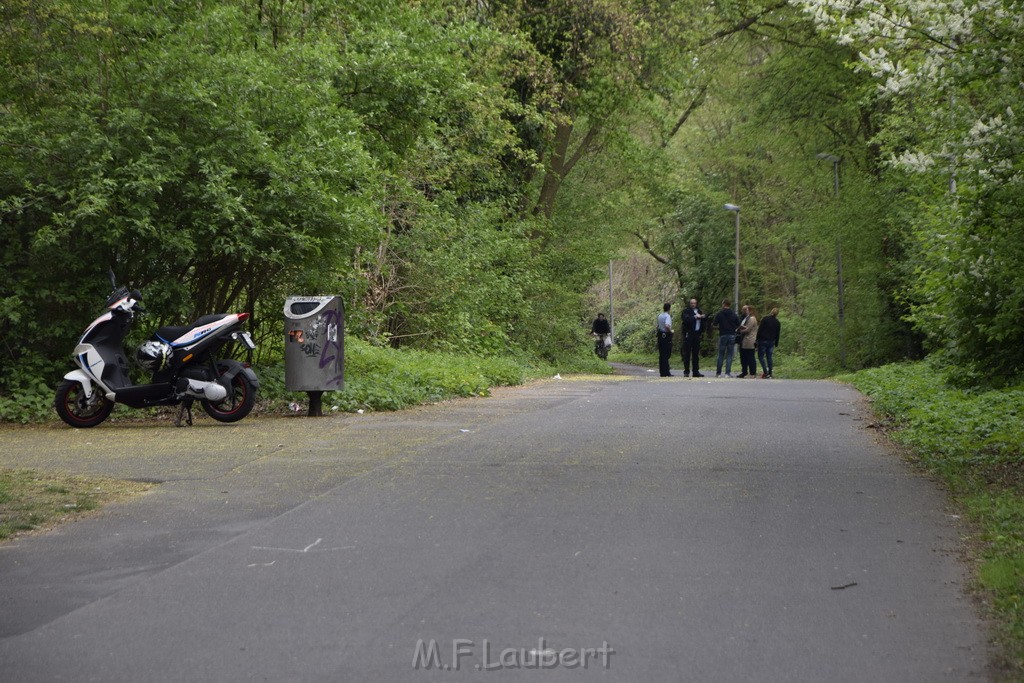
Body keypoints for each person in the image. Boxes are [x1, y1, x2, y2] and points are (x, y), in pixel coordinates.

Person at [712, 300, 740, 377]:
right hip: (731, 335)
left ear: (723, 304)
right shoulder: (734, 314)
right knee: (729, 355)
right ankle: (727, 373)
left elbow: (714, 325)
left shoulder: (719, 314)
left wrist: (719, 327)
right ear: (729, 305)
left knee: (721, 354)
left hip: (723, 335)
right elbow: (738, 325)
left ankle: (718, 373)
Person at [680, 297, 705, 377]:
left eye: (694, 303)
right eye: (691, 303)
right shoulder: (686, 311)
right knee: (687, 353)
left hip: (697, 334)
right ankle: (686, 371)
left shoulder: (699, 311)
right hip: (689, 334)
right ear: (689, 304)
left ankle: (695, 371)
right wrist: (694, 317)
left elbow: (704, 321)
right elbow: (686, 320)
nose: (693, 305)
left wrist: (703, 317)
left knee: (696, 353)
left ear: (696, 304)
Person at [757, 307, 781, 378]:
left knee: (761, 356)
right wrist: (776, 342)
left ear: (771, 312)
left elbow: (760, 329)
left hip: (763, 340)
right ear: (777, 314)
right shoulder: (777, 322)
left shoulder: (765, 319)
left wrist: (757, 339)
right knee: (769, 357)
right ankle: (770, 373)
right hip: (771, 342)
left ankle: (765, 372)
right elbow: (777, 334)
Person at [736, 304, 759, 378]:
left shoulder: (752, 318)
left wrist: (740, 330)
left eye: (747, 310)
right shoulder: (746, 318)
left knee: (750, 357)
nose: (746, 311)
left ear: (750, 310)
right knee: (743, 357)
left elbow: (748, 329)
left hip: (749, 340)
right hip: (744, 341)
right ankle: (744, 371)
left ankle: (752, 372)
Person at [656, 303, 674, 377]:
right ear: (669, 308)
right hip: (665, 335)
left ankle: (662, 371)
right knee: (666, 354)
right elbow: (667, 325)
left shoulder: (660, 316)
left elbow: (657, 326)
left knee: (661, 354)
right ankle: (666, 371)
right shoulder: (667, 316)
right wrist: (670, 331)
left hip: (660, 335)